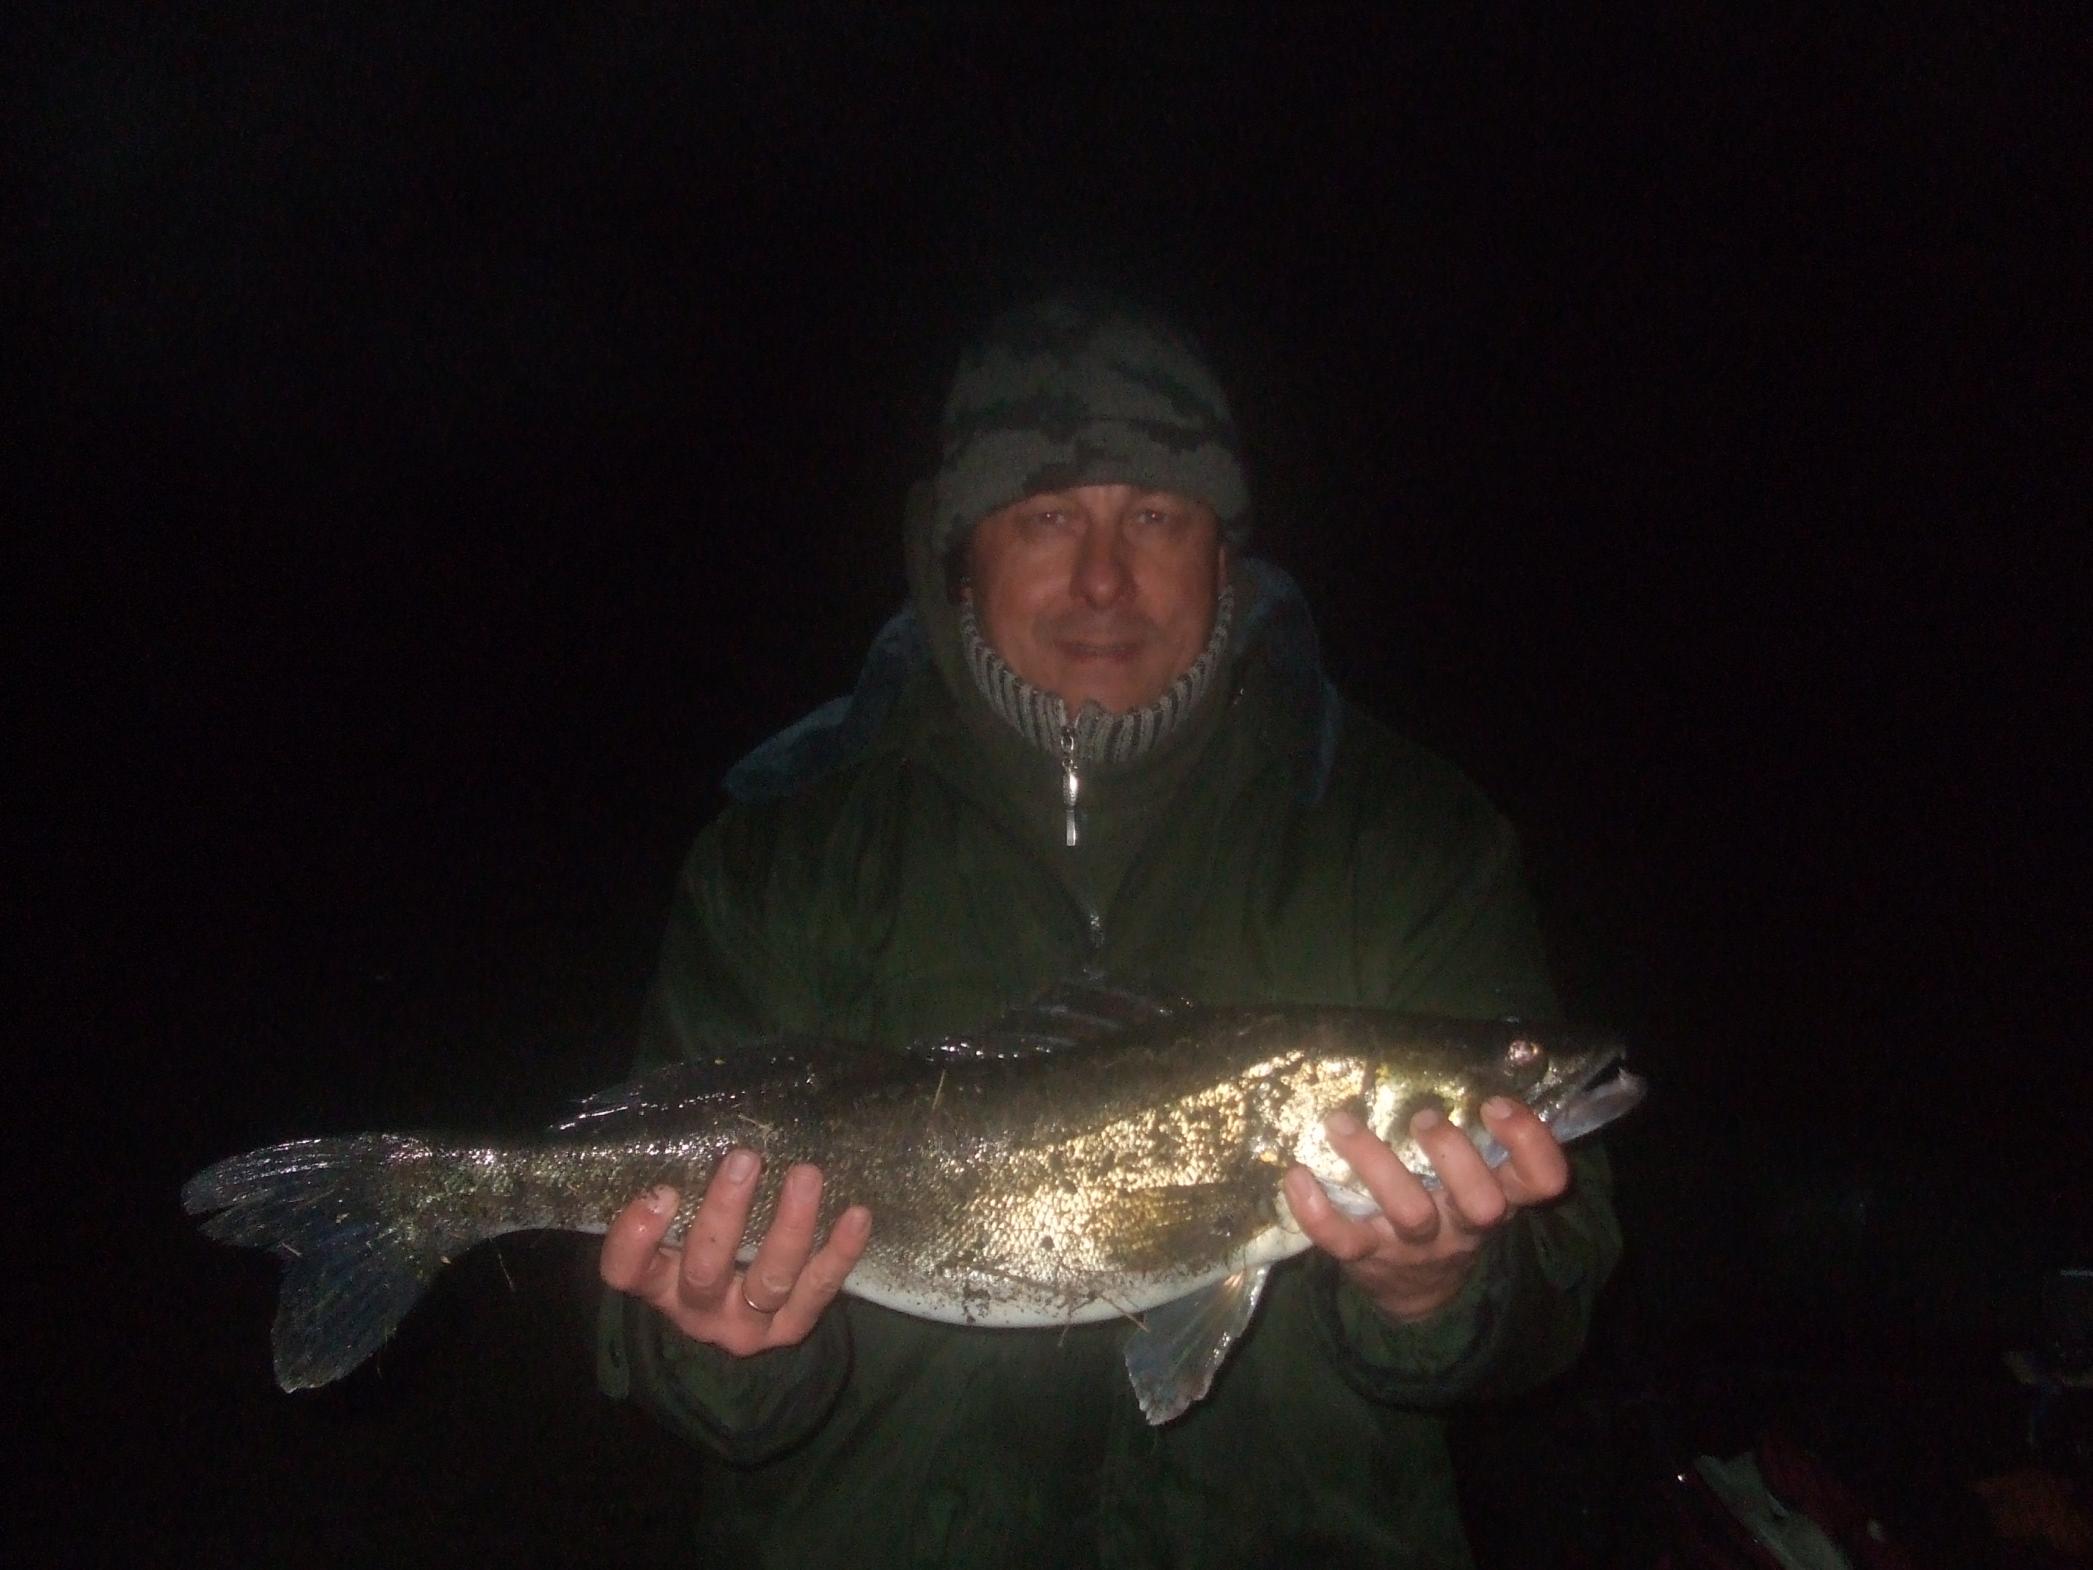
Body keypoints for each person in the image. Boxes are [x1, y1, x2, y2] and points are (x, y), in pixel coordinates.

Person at [593, 296, 1623, 1567]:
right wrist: (719, 1349)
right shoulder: (779, 855)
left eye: (1153, 516)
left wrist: (1445, 1289)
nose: (1101, 577)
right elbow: (661, 1343)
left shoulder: (1410, 838)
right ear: (959, 553)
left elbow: (1561, 1277)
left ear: (1222, 552)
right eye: (1045, 516)